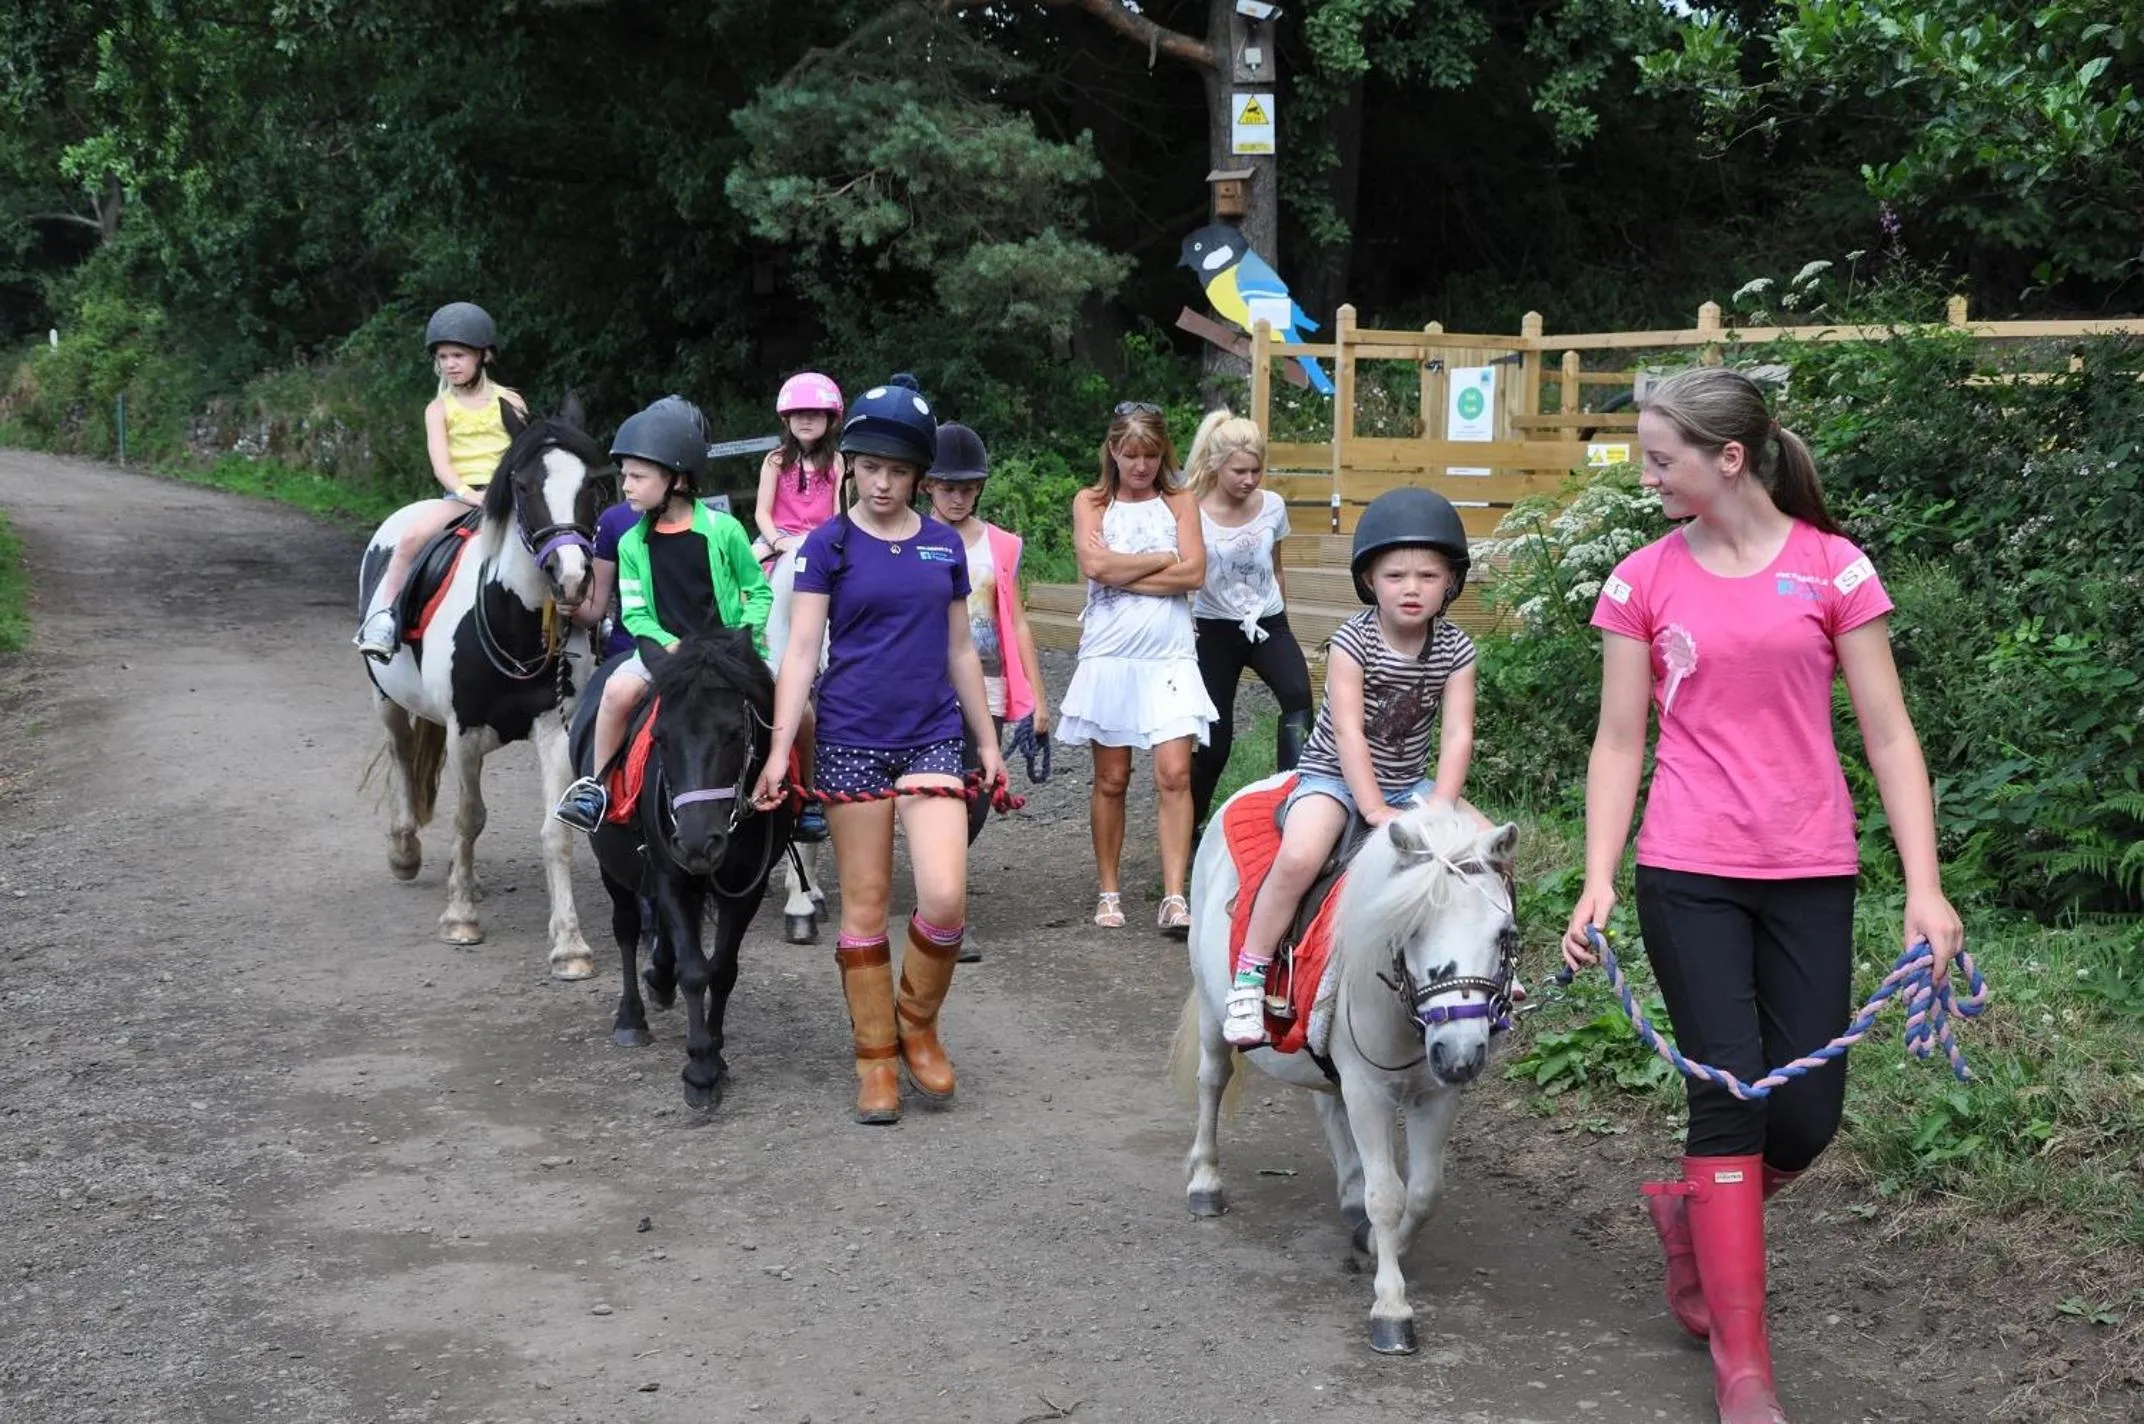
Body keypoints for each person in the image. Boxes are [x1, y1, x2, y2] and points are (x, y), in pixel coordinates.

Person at [1559, 367, 1964, 1424]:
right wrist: (1598, 877)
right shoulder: (1637, 579)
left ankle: (1693, 1211)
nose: (1644, 475)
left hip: (1809, 866)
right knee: (1727, 1092)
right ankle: (1744, 1365)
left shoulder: (1832, 571)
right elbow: (1617, 740)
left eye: (1660, 458)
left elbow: (1887, 734)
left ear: (1725, 459)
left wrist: (1925, 889)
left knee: (1806, 1114)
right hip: (1684, 865)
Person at [751, 376, 1007, 1126]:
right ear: (851, 466)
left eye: (899, 472)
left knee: (945, 898)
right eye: (871, 468)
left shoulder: (941, 548)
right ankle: (874, 1060)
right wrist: (777, 753)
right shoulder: (826, 546)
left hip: (931, 735)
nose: (884, 483)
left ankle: (917, 1025)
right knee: (864, 906)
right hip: (852, 739)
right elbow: (801, 652)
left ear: (920, 476)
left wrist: (987, 742)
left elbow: (962, 650)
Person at [1224, 487, 1482, 1048]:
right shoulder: (1353, 641)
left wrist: (1440, 804)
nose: (1411, 589)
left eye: (1428, 576)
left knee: (1487, 850)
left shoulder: (1456, 649)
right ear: (1369, 581)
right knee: (1298, 856)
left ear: (1451, 583)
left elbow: (1458, 732)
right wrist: (1372, 810)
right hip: (1334, 776)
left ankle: (1486, 972)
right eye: (1395, 576)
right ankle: (1249, 974)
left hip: (1408, 779)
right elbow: (1348, 733)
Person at [553, 400, 772, 832]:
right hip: (666, 653)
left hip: (729, 649)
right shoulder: (632, 544)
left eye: (637, 477)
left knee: (798, 708)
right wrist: (665, 643)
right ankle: (595, 786)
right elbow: (634, 612)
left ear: (675, 478)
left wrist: (743, 634)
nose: (627, 486)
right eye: (625, 476)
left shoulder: (724, 531)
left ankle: (803, 797)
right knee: (615, 693)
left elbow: (758, 590)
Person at [1057, 403, 1214, 936]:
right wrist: (1162, 560)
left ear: (1162, 453)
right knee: (1112, 777)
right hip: (1110, 653)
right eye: (1131, 454)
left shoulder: (1180, 501)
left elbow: (1195, 572)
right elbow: (1094, 565)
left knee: (1174, 773)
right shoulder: (1092, 502)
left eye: (1150, 454)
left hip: (1168, 654)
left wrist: (1129, 569)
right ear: (1113, 452)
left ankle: (1174, 894)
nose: (1141, 465)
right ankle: (1109, 888)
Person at [921, 422, 1051, 964]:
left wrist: (1038, 698)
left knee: (973, 800)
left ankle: (939, 894)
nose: (958, 496)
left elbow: (1015, 620)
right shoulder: (909, 536)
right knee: (937, 795)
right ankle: (943, 913)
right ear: (928, 484)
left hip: (988, 686)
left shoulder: (1000, 544)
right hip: (923, 685)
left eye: (968, 486)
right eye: (948, 486)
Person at [356, 302, 528, 658]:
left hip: (509, 493)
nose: (450, 364)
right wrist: (468, 494)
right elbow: (441, 464)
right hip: (460, 496)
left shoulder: (509, 400)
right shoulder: (438, 409)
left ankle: (591, 619)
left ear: (484, 355)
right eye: (443, 356)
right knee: (411, 538)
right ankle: (387, 618)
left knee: (558, 538)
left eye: (458, 355)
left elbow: (524, 451)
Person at [1183, 408, 1314, 834]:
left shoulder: (1272, 507)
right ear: (1217, 465)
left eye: (1257, 470)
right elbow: (1182, 571)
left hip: (1266, 622)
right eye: (1240, 471)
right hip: (1212, 628)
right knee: (1214, 742)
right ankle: (1190, 824)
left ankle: (1294, 807)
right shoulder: (1193, 511)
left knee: (1298, 697)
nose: (1250, 480)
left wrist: (1284, 620)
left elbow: (1276, 568)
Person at [751, 371, 843, 572]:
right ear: (787, 419)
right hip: (778, 535)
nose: (806, 420)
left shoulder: (838, 462)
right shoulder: (775, 460)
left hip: (822, 536)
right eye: (798, 414)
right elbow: (762, 512)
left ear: (830, 420)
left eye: (815, 414)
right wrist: (777, 541)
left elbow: (839, 513)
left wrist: (830, 538)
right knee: (747, 567)